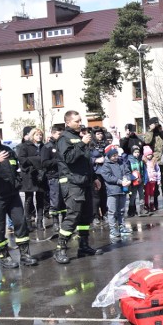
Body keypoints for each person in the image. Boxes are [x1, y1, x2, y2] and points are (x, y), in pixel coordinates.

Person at [0, 122, 35, 268]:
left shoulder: (8, 150)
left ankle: (25, 254)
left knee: (20, 223)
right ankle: (4, 256)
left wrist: (18, 181)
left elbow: (16, 168)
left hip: (12, 194)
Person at [54, 110, 103, 264]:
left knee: (86, 215)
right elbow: (69, 158)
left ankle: (84, 245)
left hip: (85, 181)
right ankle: (60, 248)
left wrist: (94, 177)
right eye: (76, 120)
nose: (80, 123)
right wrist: (82, 144)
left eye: (80, 120)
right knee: (73, 214)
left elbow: (86, 162)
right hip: (72, 183)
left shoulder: (78, 138)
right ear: (67, 122)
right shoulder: (64, 139)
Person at [98, 145, 132, 241]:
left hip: (122, 190)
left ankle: (121, 227)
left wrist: (128, 179)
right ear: (109, 156)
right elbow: (108, 177)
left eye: (116, 155)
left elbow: (127, 171)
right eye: (113, 156)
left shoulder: (121, 162)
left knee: (121, 210)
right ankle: (113, 229)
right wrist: (120, 181)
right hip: (112, 191)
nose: (116, 157)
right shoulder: (106, 165)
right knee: (112, 211)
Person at [17, 127, 46, 231]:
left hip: (41, 175)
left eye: (41, 135)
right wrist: (36, 161)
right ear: (32, 136)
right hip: (29, 175)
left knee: (40, 199)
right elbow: (22, 160)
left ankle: (39, 222)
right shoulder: (25, 146)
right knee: (28, 199)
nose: (39, 137)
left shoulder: (44, 146)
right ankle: (28, 222)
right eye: (37, 135)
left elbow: (47, 159)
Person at [40, 123, 66, 234]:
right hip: (53, 176)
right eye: (59, 134)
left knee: (64, 200)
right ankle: (55, 222)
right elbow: (44, 163)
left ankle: (65, 222)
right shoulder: (47, 147)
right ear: (53, 133)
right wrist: (58, 161)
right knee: (55, 200)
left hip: (64, 176)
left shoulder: (62, 144)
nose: (60, 136)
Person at [142, 145, 161, 214]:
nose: (149, 156)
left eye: (150, 154)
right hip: (147, 180)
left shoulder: (154, 161)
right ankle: (146, 205)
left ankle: (152, 204)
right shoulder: (144, 162)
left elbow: (158, 170)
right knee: (147, 193)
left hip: (153, 180)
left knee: (152, 193)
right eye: (148, 155)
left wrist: (158, 179)